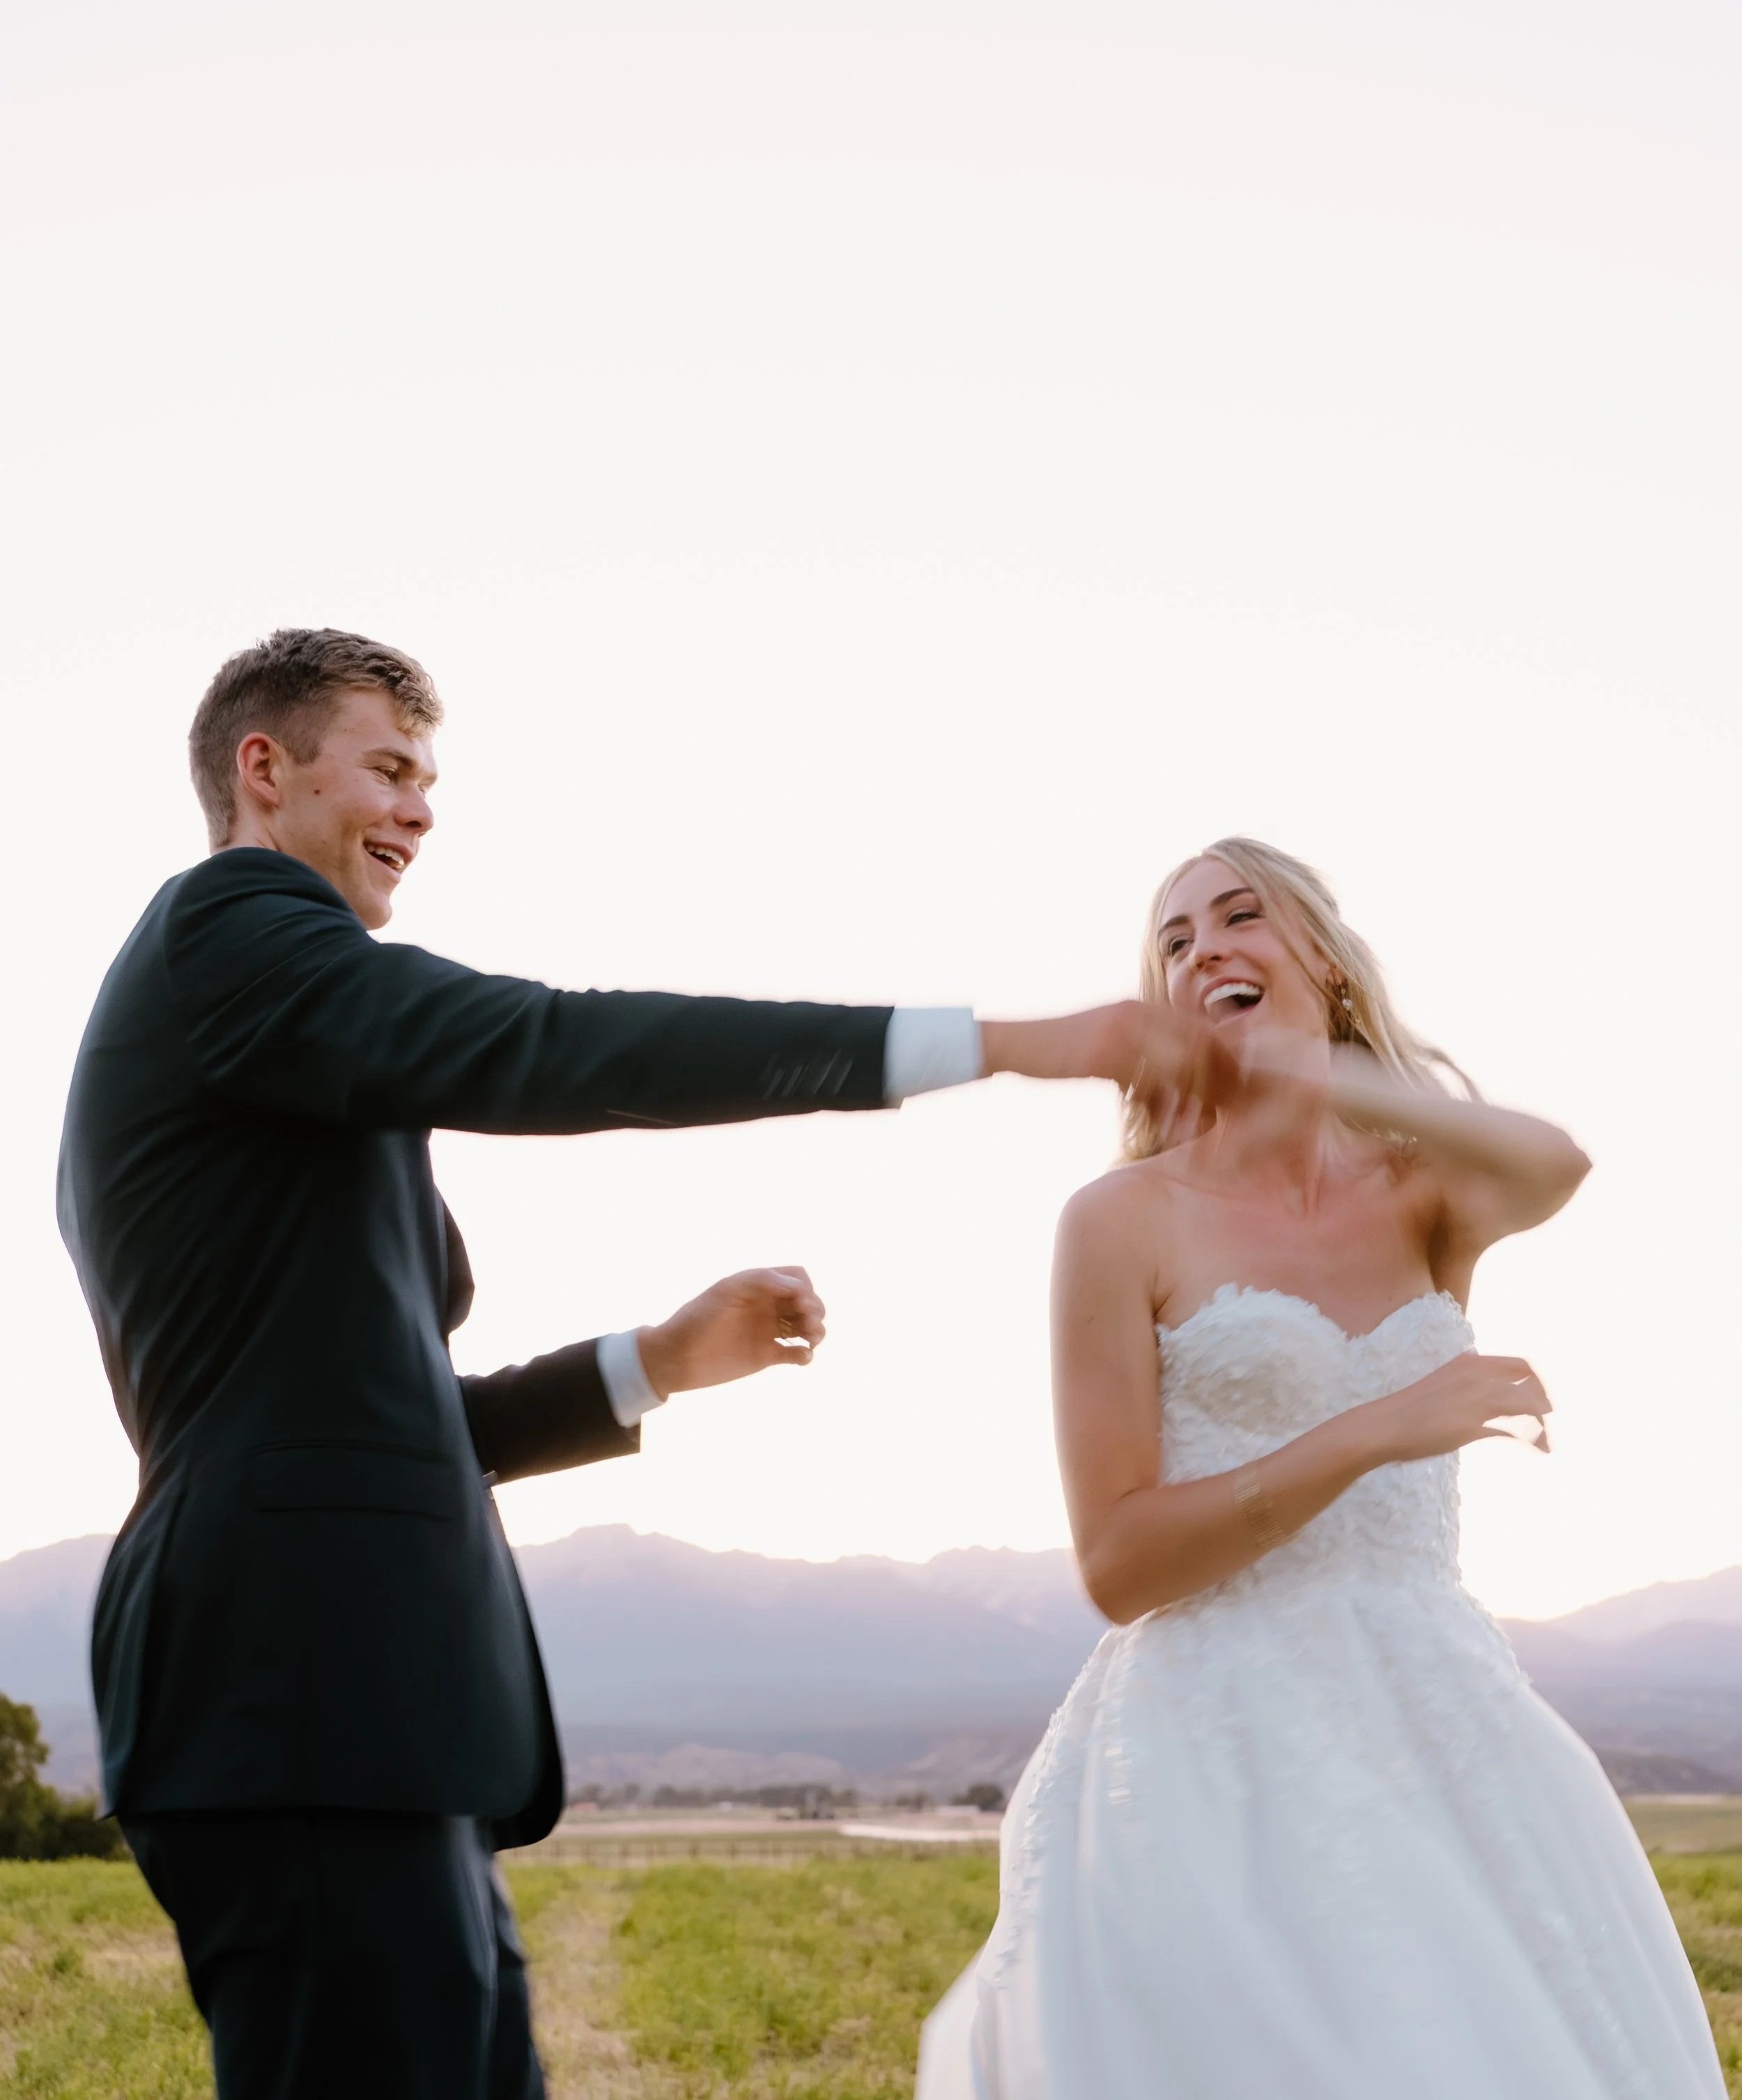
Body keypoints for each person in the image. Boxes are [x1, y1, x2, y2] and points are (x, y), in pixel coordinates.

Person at [56, 628, 1224, 2100]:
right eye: (390, 768)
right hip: (293, 1696)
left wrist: (656, 1361)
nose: (419, 809)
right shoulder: (228, 933)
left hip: (364, 1716)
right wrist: (998, 1042)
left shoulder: (270, 1034)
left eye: (433, 782)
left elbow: (393, 1418)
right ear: (264, 768)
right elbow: (546, 1042)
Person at [918, 837, 1724, 2099]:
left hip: (1446, 1722)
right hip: (1214, 1741)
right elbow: (1121, 1563)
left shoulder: (1425, 1194)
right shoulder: (1120, 1219)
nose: (1204, 951)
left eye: (1241, 918)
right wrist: (1375, 1427)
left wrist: (1338, 1079)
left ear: (1327, 965)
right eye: (1174, 942)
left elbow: (1556, 1161)